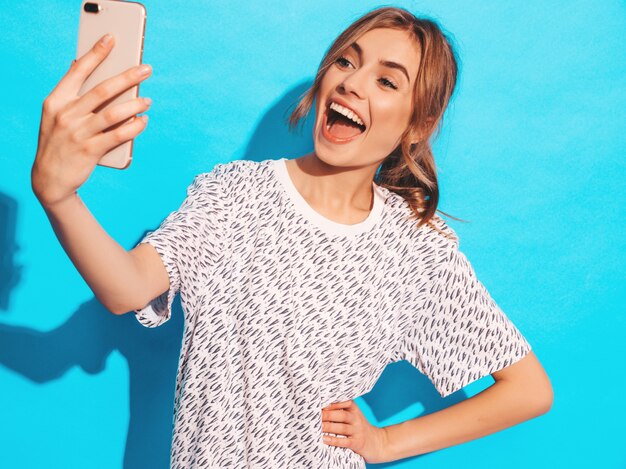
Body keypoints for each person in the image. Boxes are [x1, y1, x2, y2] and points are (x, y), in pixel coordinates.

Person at [32, 6, 553, 468]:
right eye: (346, 62)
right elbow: (126, 289)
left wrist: (386, 442)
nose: (352, 83)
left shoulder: (416, 251)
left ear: (419, 123)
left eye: (387, 82)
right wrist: (58, 196)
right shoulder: (234, 195)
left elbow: (528, 391)